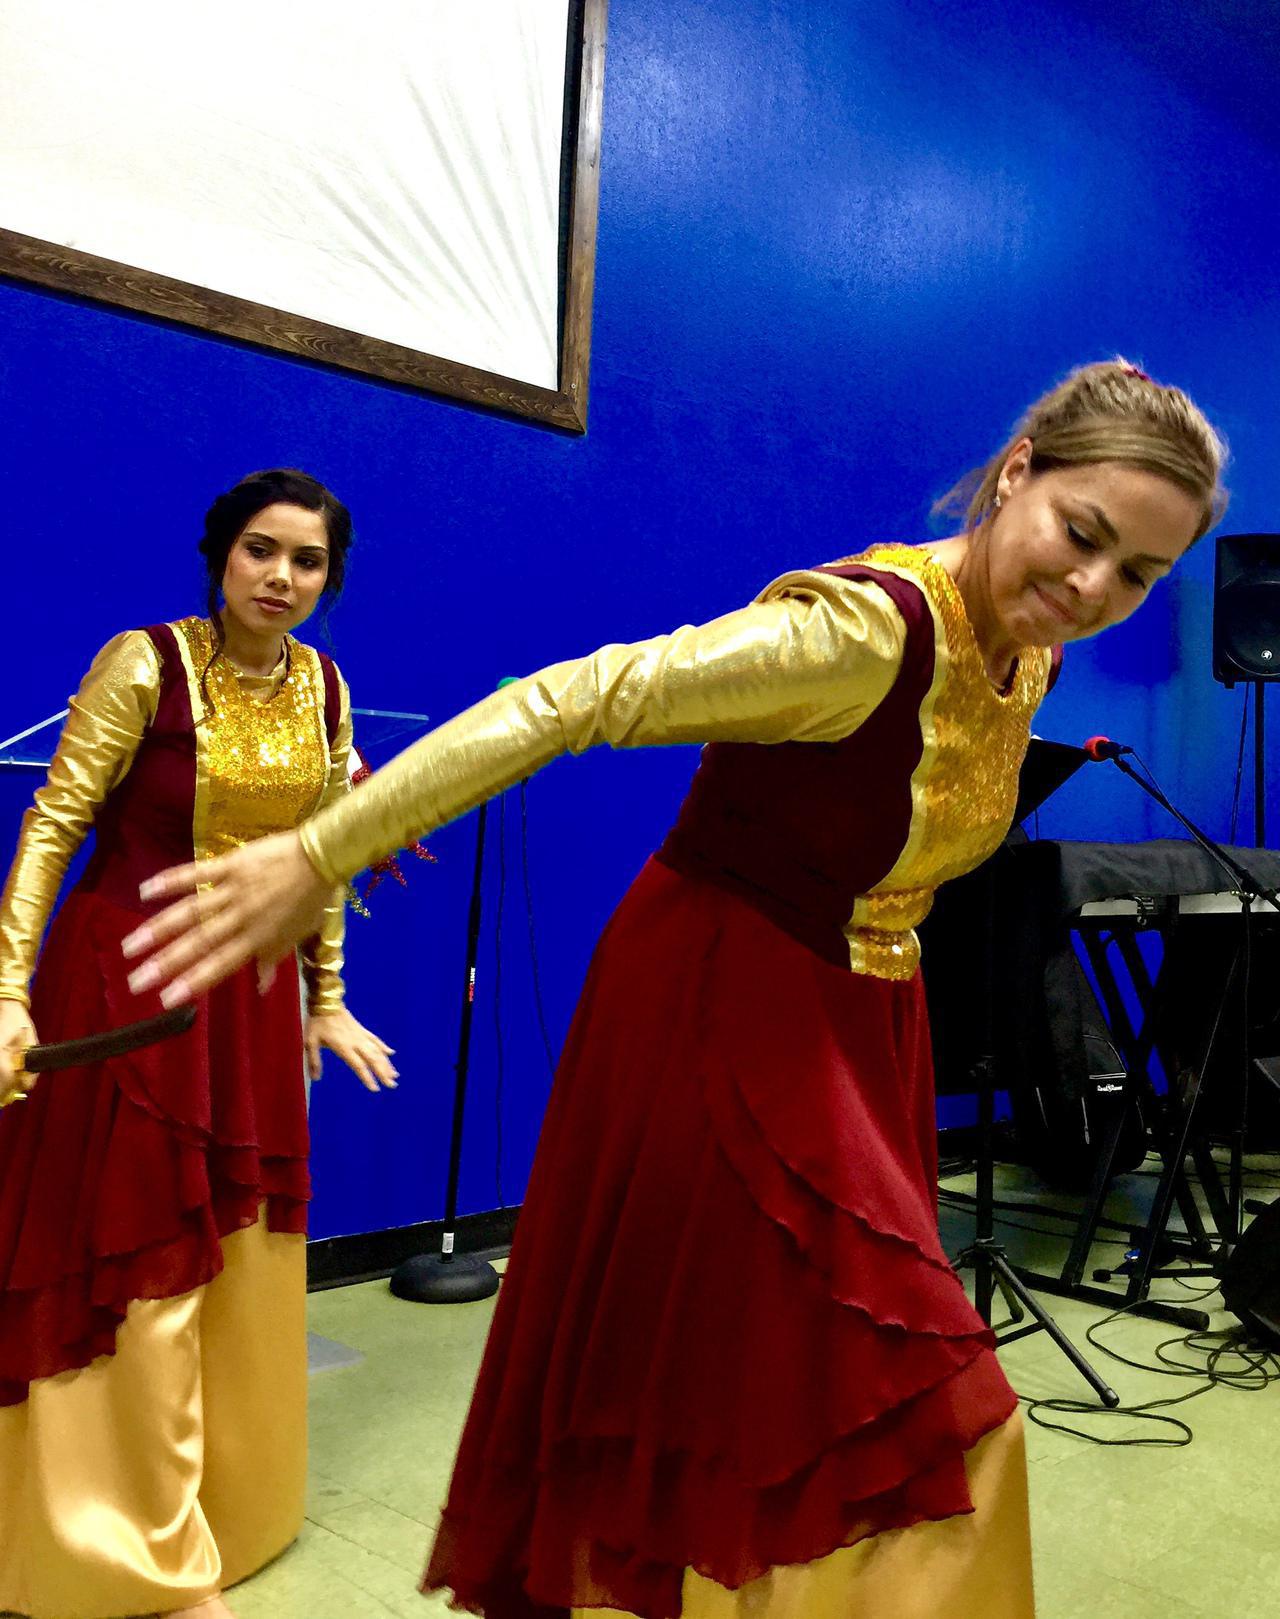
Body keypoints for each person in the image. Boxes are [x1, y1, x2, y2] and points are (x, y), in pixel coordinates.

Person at [121, 363, 1226, 1619]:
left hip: (861, 1016)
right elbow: (570, 698)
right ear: (1017, 469)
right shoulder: (857, 633)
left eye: (1135, 573)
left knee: (755, 1384)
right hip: (727, 1004)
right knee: (927, 1409)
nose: (1092, 587)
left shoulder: (1020, 645)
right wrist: (321, 849)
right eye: (1080, 535)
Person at [0, 469, 397, 1619]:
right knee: (137, 1251)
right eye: (260, 551)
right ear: (219, 555)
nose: (281, 577)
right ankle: (135, 1547)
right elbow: (54, 824)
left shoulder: (325, 686)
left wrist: (325, 995)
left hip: (255, 1003)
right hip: (129, 982)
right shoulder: (143, 664)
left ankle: (230, 1505)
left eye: (307, 561)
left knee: (234, 1253)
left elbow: (324, 850)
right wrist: (9, 988)